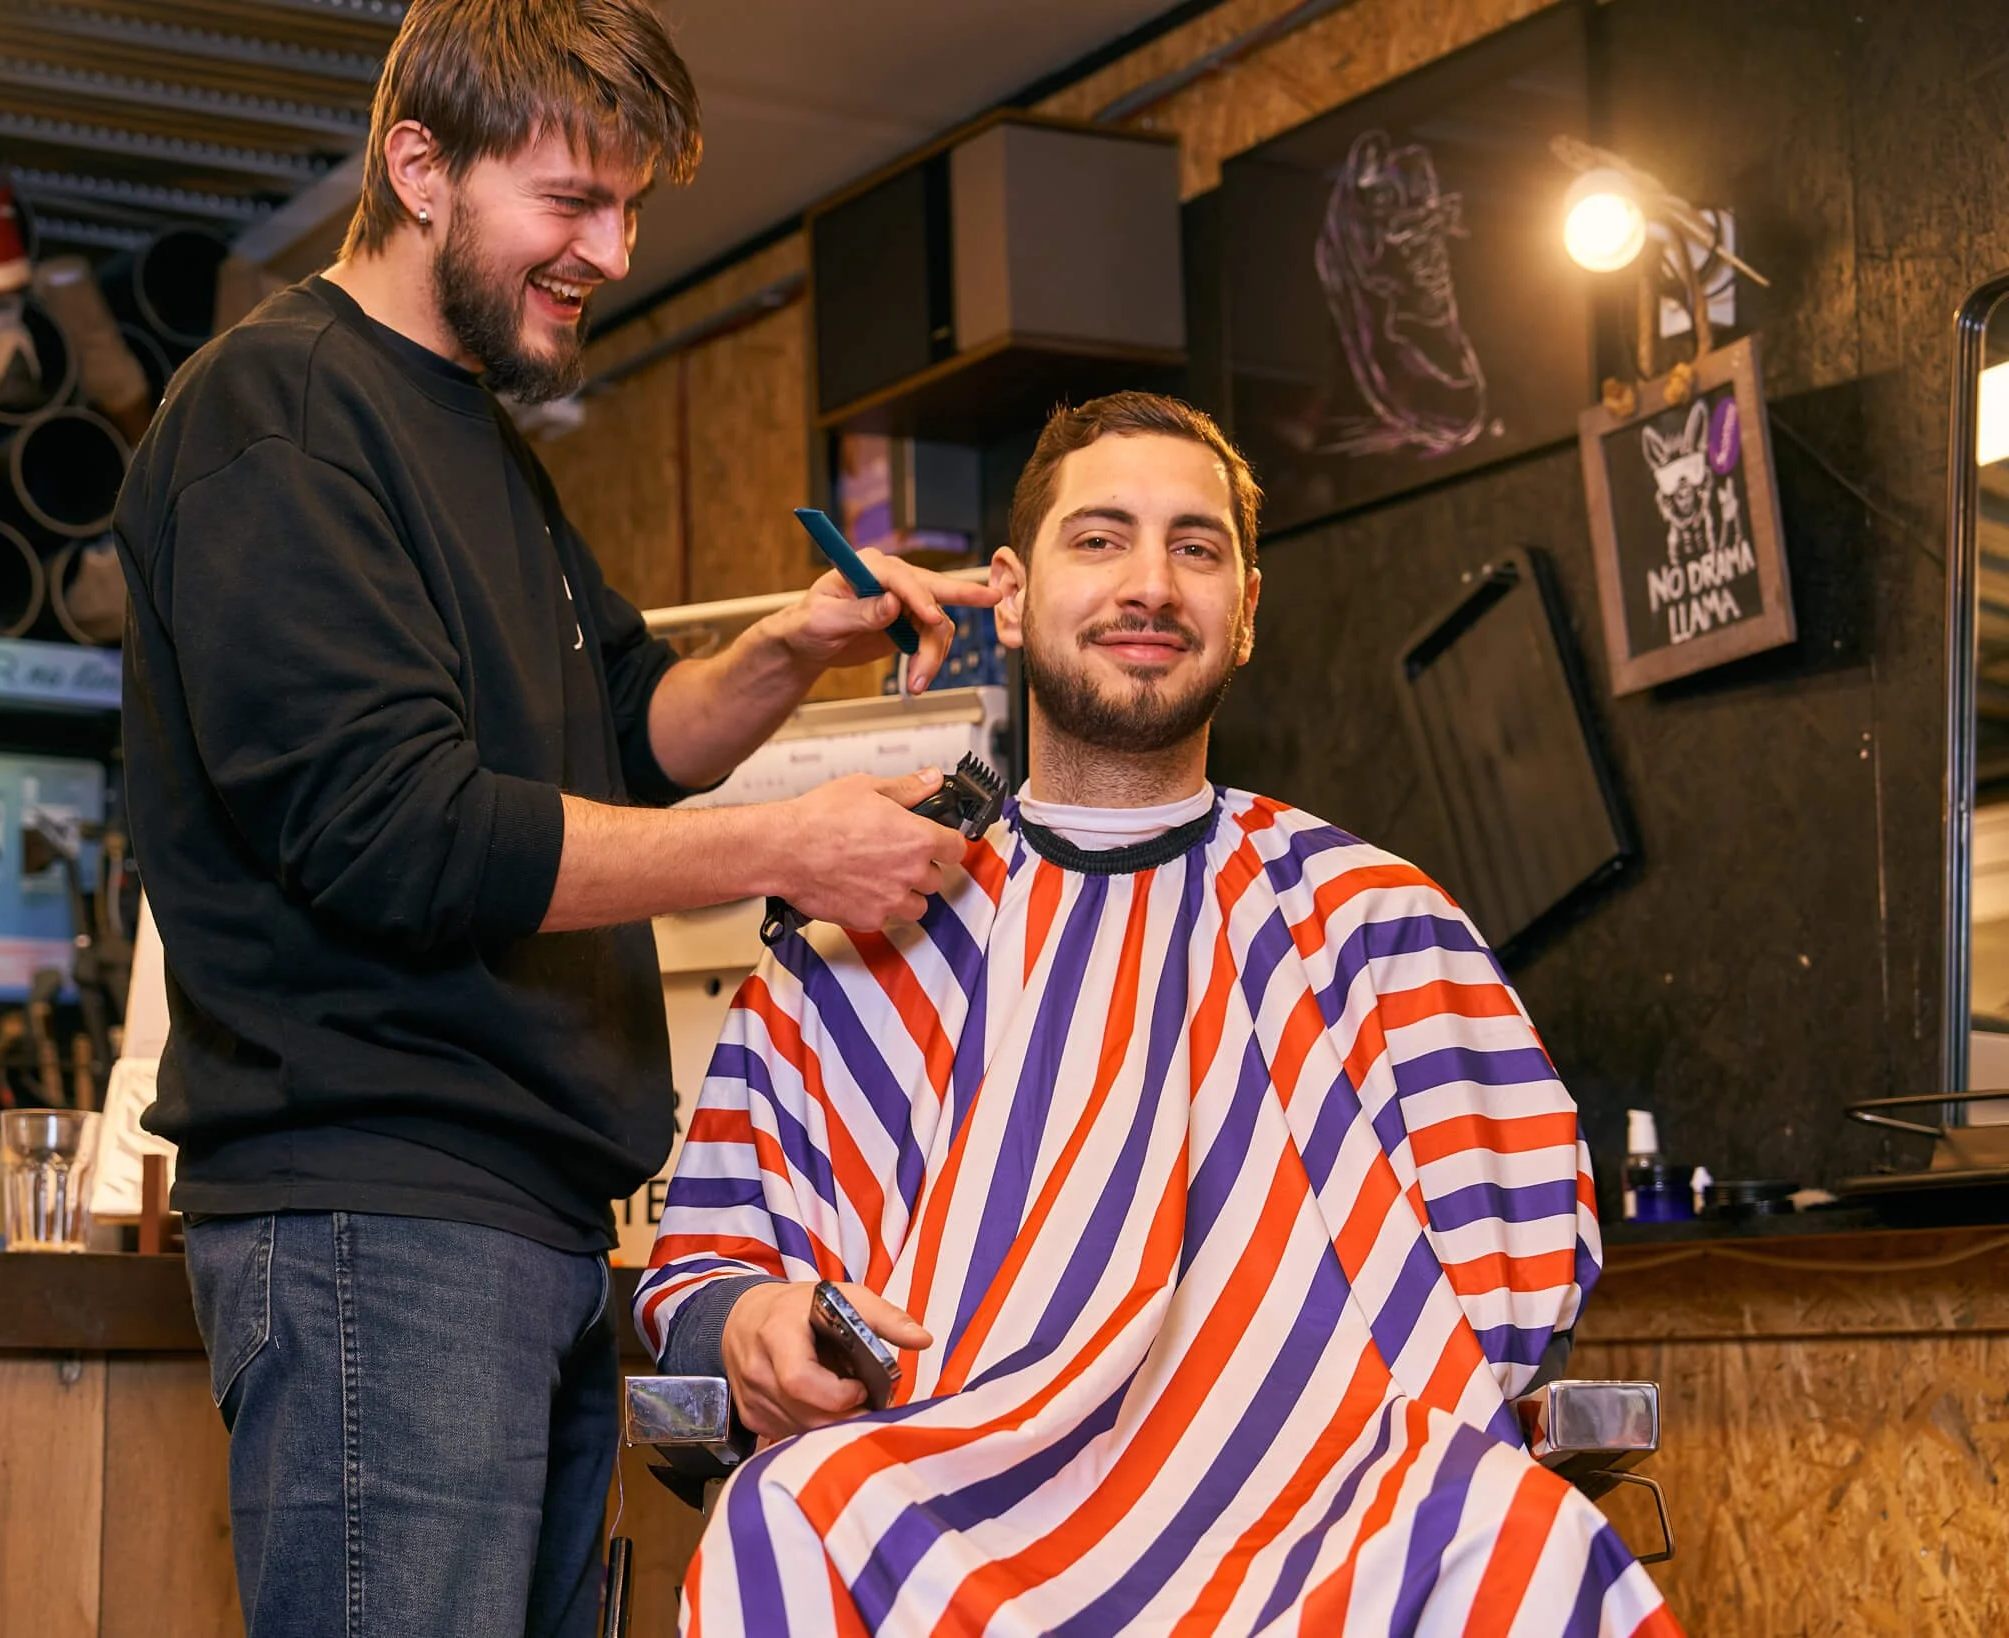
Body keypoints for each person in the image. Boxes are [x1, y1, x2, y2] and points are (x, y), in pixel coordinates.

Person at [111, 2, 996, 1634]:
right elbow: (407, 833)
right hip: (376, 1212)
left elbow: (628, 732)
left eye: (632, 205)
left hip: (518, 1217)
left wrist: (797, 645)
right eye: (571, 201)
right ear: (418, 167)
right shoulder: (281, 417)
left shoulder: (478, 443)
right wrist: (793, 849)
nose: (613, 247)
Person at [636, 391, 1681, 1637]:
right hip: (930, 1503)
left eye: (1195, 548)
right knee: (787, 1518)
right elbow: (703, 1276)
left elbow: (1511, 1303)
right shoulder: (863, 929)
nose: (1149, 584)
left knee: (1526, 1536)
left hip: (1327, 1507)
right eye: (1099, 539)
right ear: (1011, 598)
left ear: (1246, 613)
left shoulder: (1377, 926)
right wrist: (749, 1321)